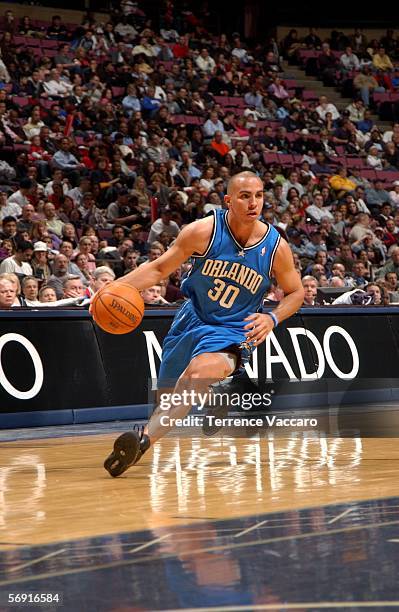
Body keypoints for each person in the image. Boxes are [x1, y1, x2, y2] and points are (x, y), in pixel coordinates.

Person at [101, 171, 304, 477]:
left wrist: (272, 317)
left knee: (197, 374)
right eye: (245, 196)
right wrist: (112, 289)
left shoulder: (275, 247)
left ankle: (141, 443)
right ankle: (218, 394)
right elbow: (158, 269)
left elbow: (297, 291)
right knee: (168, 400)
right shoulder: (202, 231)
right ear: (228, 201)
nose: (253, 203)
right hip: (192, 317)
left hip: (235, 329)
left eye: (259, 195)